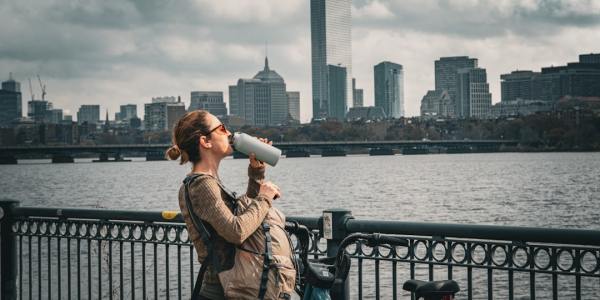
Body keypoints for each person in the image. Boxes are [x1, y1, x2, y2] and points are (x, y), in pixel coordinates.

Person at [166, 110, 296, 300]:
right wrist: (265, 197)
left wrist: (256, 171)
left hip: (228, 286)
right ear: (205, 142)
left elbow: (246, 217)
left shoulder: (203, 182)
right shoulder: (202, 184)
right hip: (220, 290)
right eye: (222, 128)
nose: (229, 133)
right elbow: (236, 231)